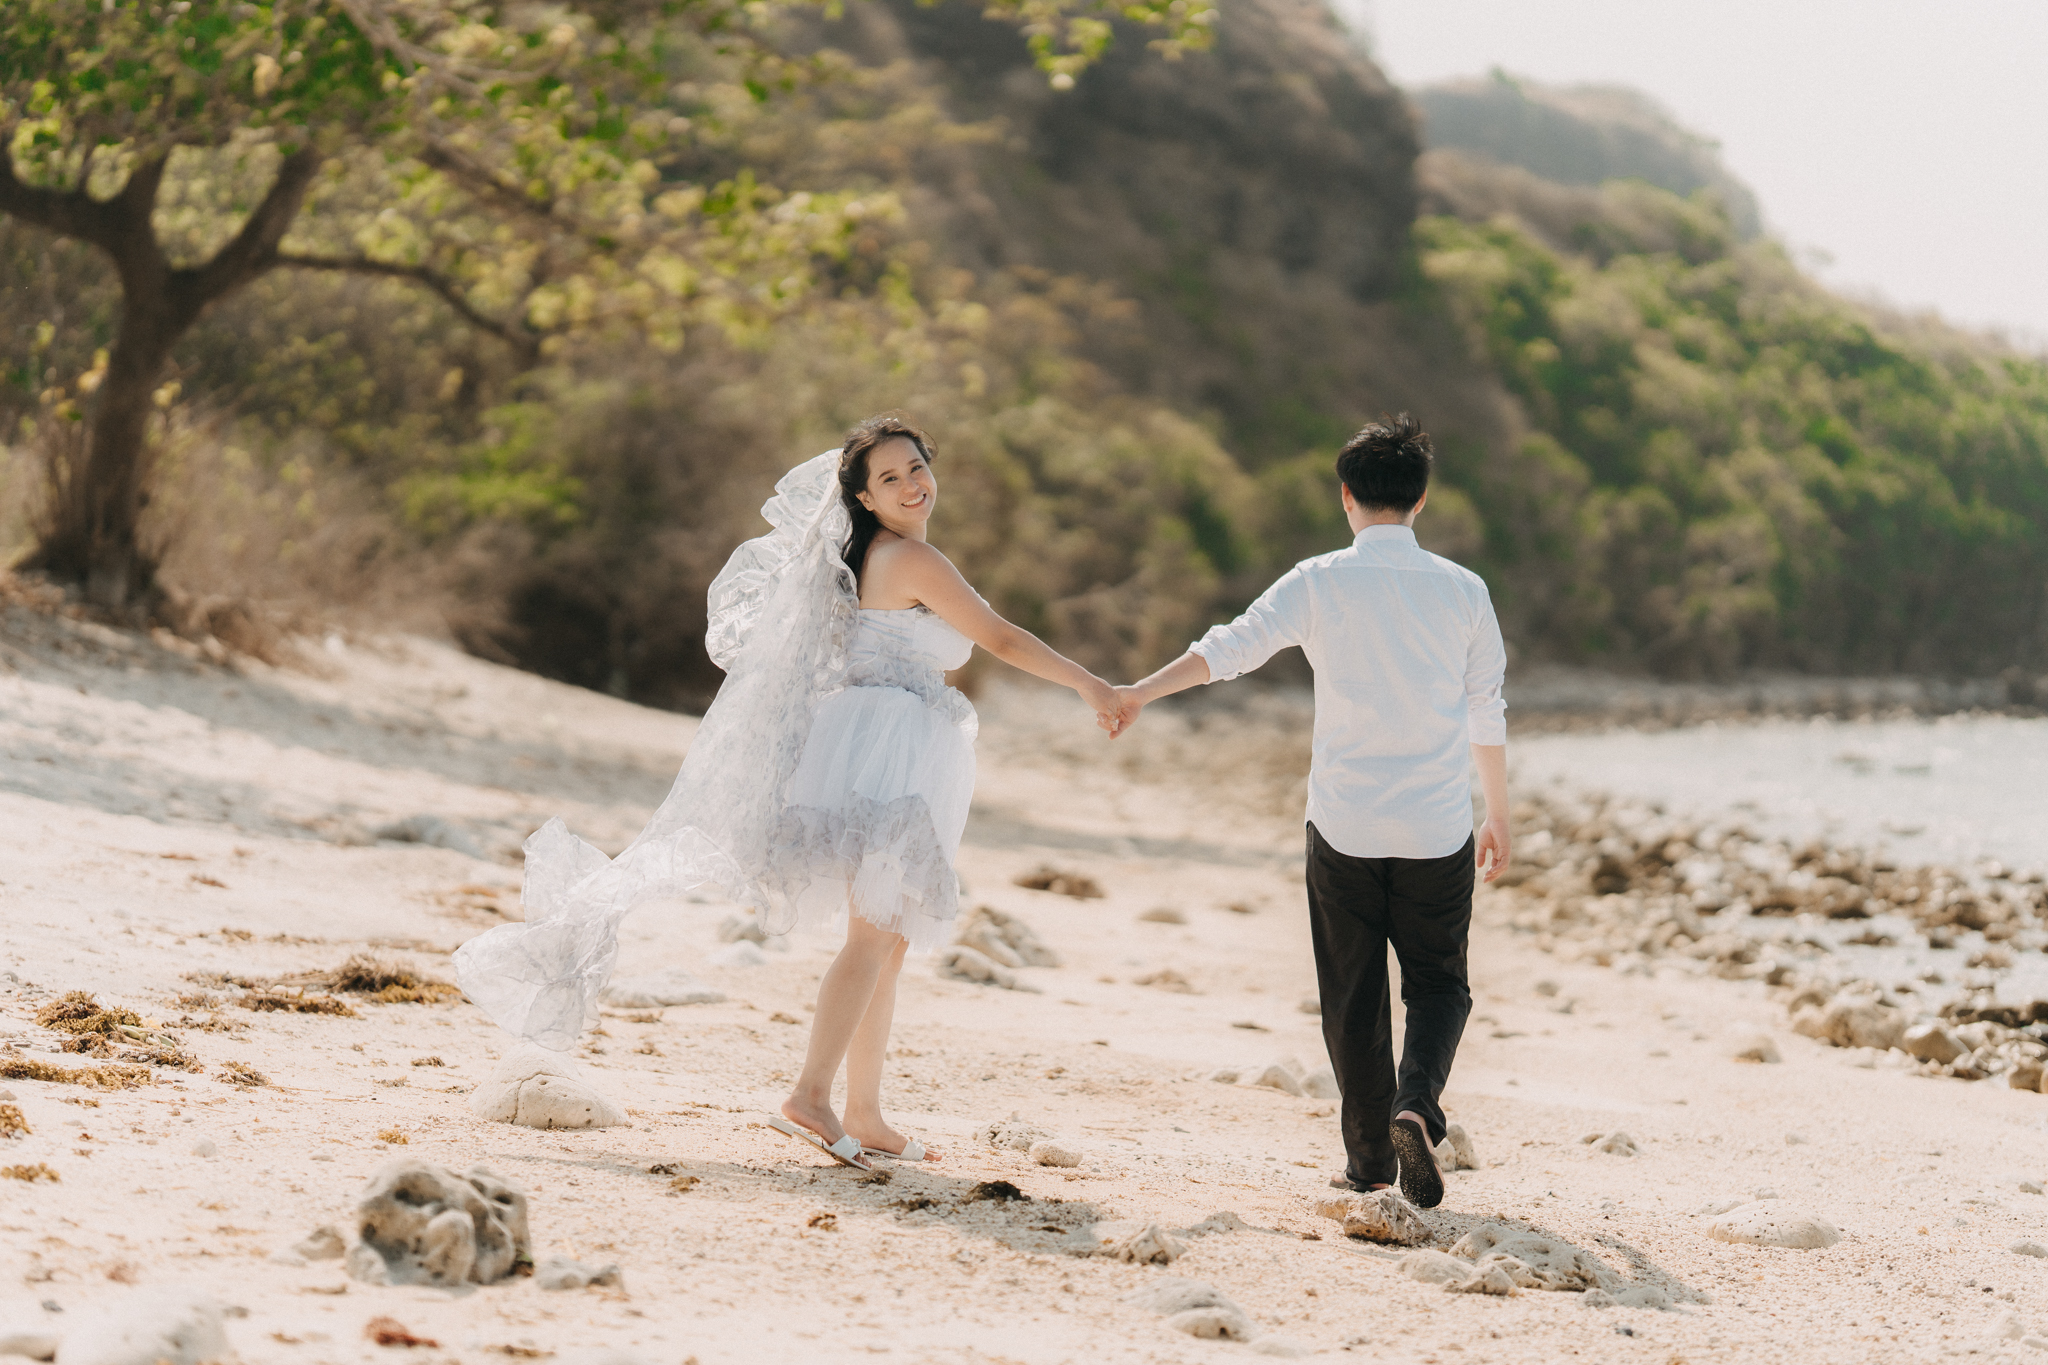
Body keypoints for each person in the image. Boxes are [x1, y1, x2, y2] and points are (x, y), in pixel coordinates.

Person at [453, 414, 1126, 1173]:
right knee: (874, 936)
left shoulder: (863, 556)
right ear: (865, 498)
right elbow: (999, 637)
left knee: (890, 940)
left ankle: (866, 1112)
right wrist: (1092, 684)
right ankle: (809, 1096)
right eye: (890, 478)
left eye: (916, 467)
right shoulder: (911, 558)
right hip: (891, 752)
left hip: (871, 740)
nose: (911, 485)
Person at [1110, 413, 1509, 1208]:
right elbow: (1486, 707)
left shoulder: (1319, 579)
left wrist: (1139, 692)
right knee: (1439, 985)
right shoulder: (1464, 590)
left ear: (1346, 497)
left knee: (1352, 994)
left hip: (1344, 824)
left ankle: (1370, 1165)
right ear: (1422, 498)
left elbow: (1231, 647)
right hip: (1436, 826)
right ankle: (1416, 1107)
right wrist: (1497, 812)